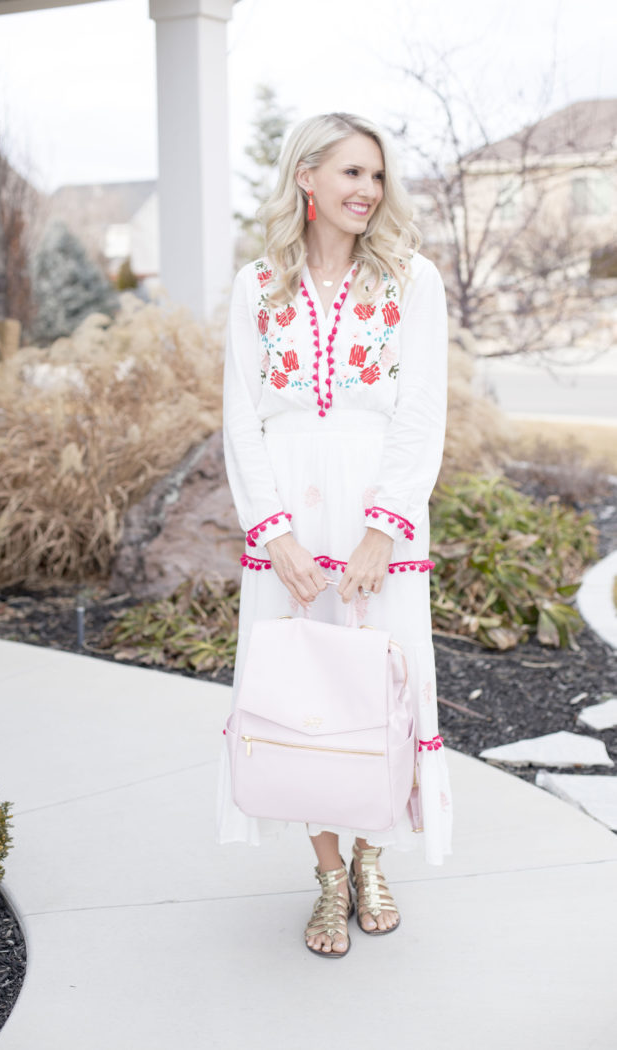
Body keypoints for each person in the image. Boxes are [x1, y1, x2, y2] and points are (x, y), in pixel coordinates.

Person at [218, 112, 452, 958]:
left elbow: (422, 409)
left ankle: (372, 858)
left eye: (378, 176)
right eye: (352, 173)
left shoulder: (411, 279)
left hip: (375, 513)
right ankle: (326, 877)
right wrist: (272, 531)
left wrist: (383, 532)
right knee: (301, 695)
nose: (368, 191)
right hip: (287, 512)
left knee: (378, 690)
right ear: (307, 177)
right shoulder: (257, 285)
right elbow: (240, 413)